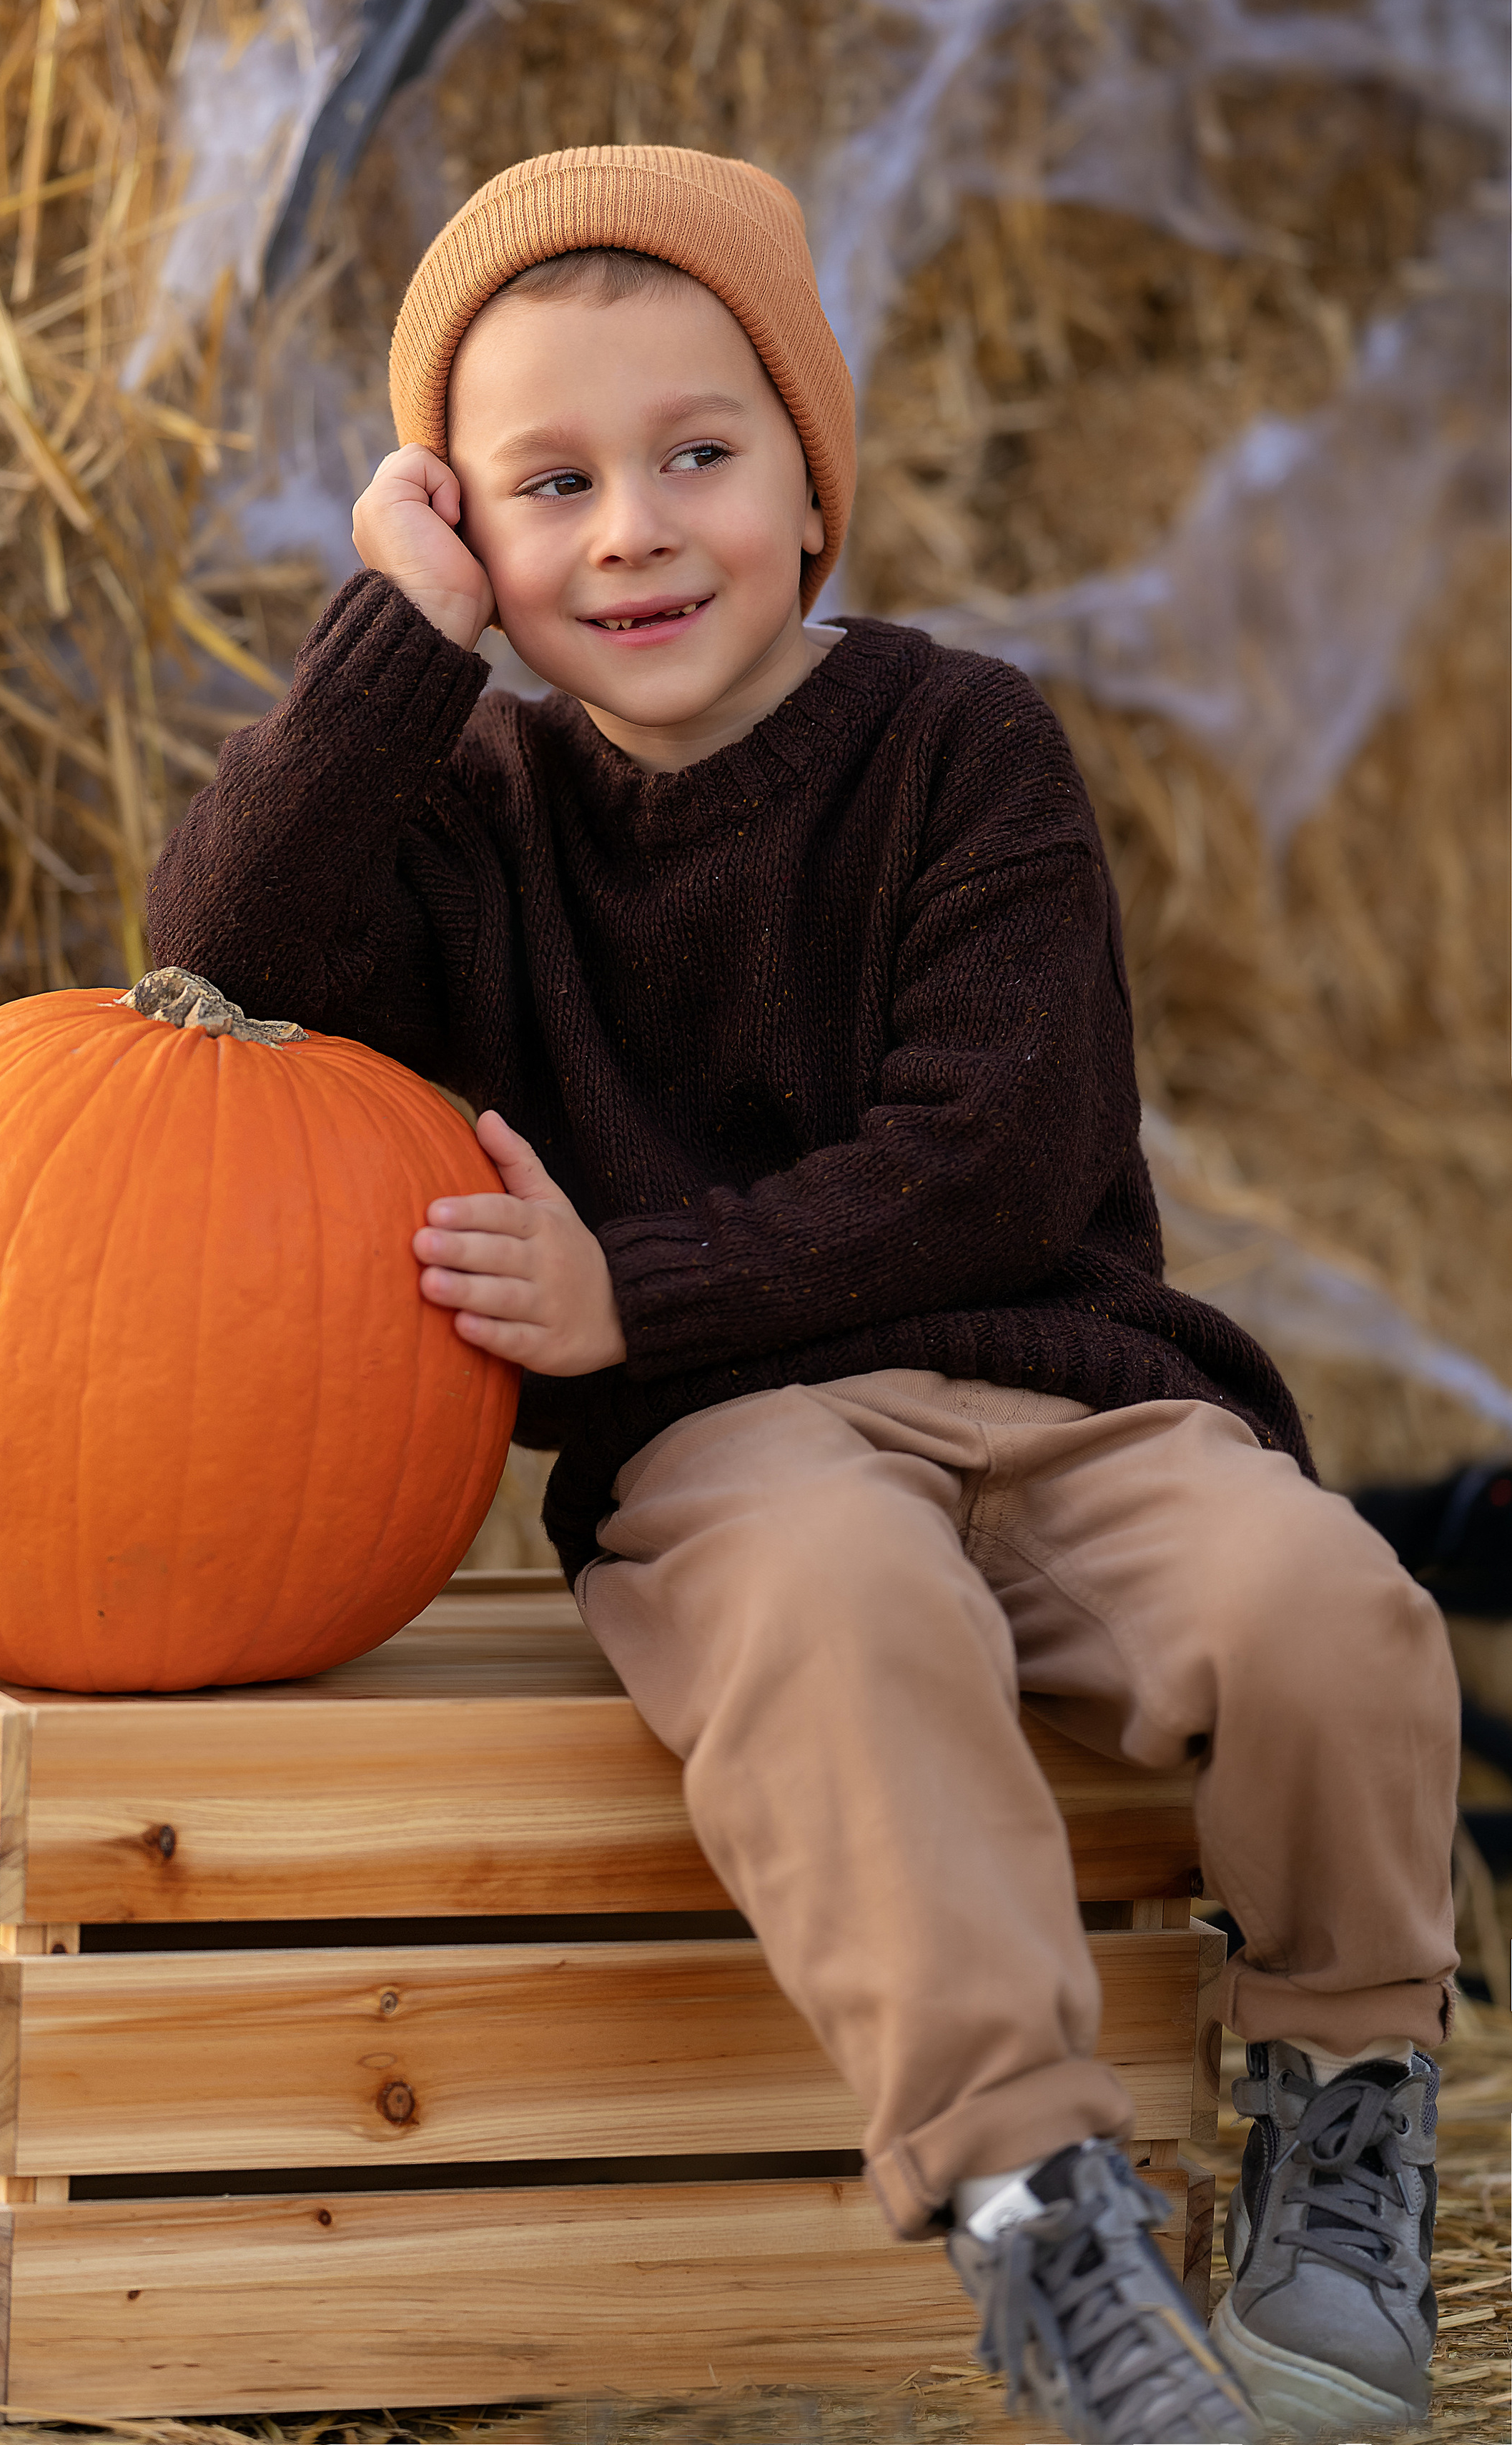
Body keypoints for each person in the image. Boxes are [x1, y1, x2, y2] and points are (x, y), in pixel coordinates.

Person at [147, 146, 1460, 2444]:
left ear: (811, 479)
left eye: (698, 456)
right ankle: (1043, 2220)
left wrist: (626, 1286)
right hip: (737, 1446)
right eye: (549, 487)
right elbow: (219, 951)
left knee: (1319, 1602)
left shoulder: (966, 748)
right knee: (844, 1618)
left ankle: (1341, 2118)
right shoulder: (469, 810)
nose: (634, 530)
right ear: (468, 532)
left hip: (1059, 1385)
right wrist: (394, 633)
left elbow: (993, 1159)